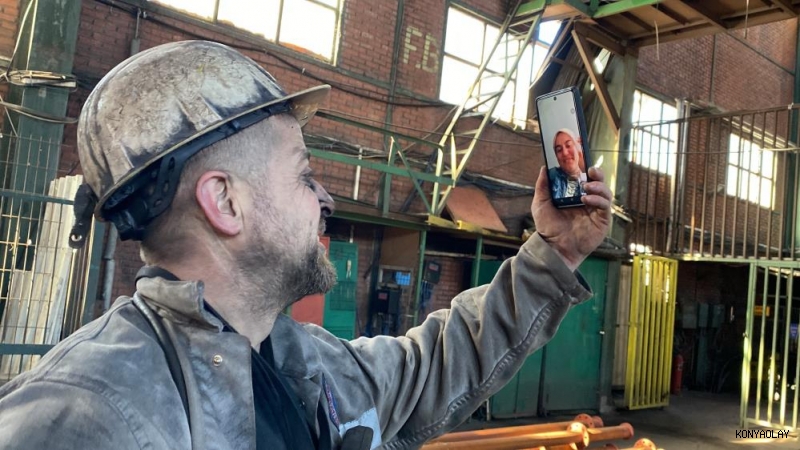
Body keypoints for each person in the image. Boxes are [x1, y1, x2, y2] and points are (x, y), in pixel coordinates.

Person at [0, 41, 612, 450]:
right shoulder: (84, 416)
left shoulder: (303, 359)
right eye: (303, 174)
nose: (325, 199)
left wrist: (555, 252)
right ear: (225, 203)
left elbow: (437, 363)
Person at [548, 128, 588, 199]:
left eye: (568, 145)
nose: (565, 153)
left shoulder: (588, 177)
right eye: (559, 150)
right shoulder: (552, 176)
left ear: (577, 148)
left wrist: (585, 171)